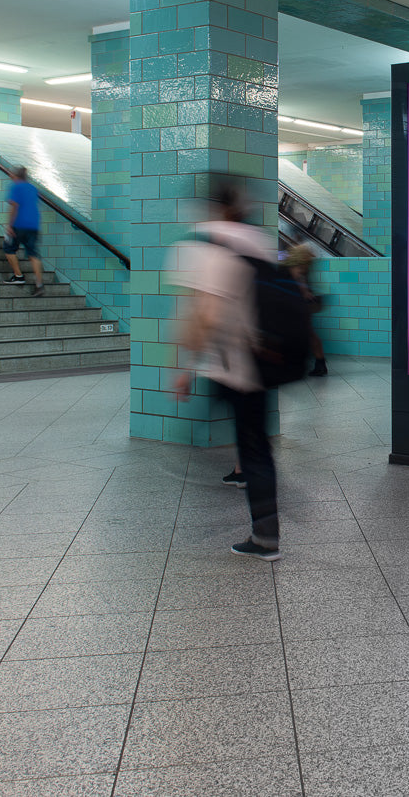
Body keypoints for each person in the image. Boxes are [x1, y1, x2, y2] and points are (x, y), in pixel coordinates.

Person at [171, 177, 280, 560]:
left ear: (212, 206)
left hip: (228, 363)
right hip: (264, 359)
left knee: (249, 445)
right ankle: (266, 531)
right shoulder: (260, 240)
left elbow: (204, 312)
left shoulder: (201, 243)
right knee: (257, 446)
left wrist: (184, 366)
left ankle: (266, 538)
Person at [283, 242, 328, 376]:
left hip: (297, 305)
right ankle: (320, 364)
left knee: (303, 334)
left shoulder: (297, 268)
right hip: (304, 306)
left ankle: (298, 364)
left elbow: (299, 282)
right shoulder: (306, 268)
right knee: (309, 334)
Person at [1, 166, 45, 297]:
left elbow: (15, 206)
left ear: (16, 176)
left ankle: (18, 276)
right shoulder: (33, 188)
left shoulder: (16, 187)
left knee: (8, 248)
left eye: (12, 175)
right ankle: (39, 284)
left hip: (19, 224)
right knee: (33, 254)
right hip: (34, 225)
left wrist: (10, 225)